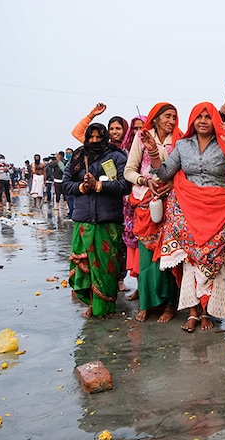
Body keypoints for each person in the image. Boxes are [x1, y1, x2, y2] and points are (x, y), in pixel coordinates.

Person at [149, 101, 225, 331]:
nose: (203, 121)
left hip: (220, 210)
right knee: (190, 263)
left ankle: (208, 312)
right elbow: (165, 173)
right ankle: (193, 313)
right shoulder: (183, 145)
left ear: (214, 120)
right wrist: (154, 153)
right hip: (187, 208)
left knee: (215, 264)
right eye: (199, 117)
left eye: (207, 116)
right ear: (192, 121)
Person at [63, 123, 131, 317]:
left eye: (98, 137)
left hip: (107, 220)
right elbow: (66, 184)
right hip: (83, 220)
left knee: (106, 267)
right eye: (90, 137)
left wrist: (100, 185)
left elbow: (125, 185)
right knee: (85, 268)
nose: (94, 141)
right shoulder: (77, 157)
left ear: (105, 138)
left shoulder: (116, 157)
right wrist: (82, 188)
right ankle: (92, 304)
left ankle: (107, 307)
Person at [124, 102, 182, 323]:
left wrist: (173, 184)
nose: (171, 121)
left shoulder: (179, 139)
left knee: (169, 255)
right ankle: (146, 304)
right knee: (147, 256)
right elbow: (129, 170)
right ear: (156, 118)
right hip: (144, 203)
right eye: (167, 116)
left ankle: (170, 304)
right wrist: (143, 181)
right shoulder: (142, 137)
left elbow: (182, 170)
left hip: (171, 202)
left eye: (174, 118)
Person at [120, 115, 147, 298]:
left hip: (146, 201)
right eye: (135, 128)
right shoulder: (123, 151)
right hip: (129, 204)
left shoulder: (150, 148)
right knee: (134, 247)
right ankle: (139, 286)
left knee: (146, 246)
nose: (138, 132)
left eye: (142, 128)